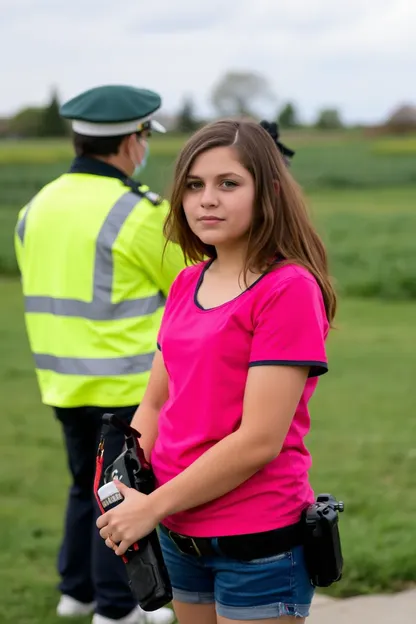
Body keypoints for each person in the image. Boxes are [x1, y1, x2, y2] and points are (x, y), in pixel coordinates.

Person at [96, 118, 337, 624]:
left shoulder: (287, 289)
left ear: (268, 192)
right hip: (180, 533)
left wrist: (152, 505)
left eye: (228, 184)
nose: (207, 199)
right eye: (194, 184)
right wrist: (126, 482)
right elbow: (157, 401)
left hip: (258, 541)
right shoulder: (187, 281)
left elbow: (259, 441)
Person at [14, 85, 184, 624]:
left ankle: (76, 591)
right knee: (121, 493)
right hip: (126, 385)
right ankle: (117, 608)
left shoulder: (35, 207)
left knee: (83, 487)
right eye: (144, 137)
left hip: (61, 382)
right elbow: (190, 283)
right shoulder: (138, 213)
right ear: (133, 141)